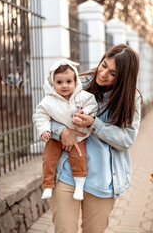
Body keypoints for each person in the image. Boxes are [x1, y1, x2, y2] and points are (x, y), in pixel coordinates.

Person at [47, 44, 142, 233]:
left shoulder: (131, 99)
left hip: (102, 181)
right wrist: (61, 131)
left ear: (124, 77)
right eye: (104, 65)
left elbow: (126, 139)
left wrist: (94, 123)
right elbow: (45, 112)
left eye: (113, 73)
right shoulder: (78, 82)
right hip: (67, 173)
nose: (104, 74)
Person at [34, 59, 98, 200]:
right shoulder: (48, 101)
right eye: (59, 82)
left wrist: (83, 114)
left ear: (75, 82)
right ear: (52, 83)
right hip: (54, 138)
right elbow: (40, 116)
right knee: (49, 159)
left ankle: (79, 186)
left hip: (78, 135)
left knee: (79, 158)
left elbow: (92, 105)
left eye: (69, 82)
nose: (64, 86)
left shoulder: (83, 97)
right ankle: (48, 185)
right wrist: (44, 130)